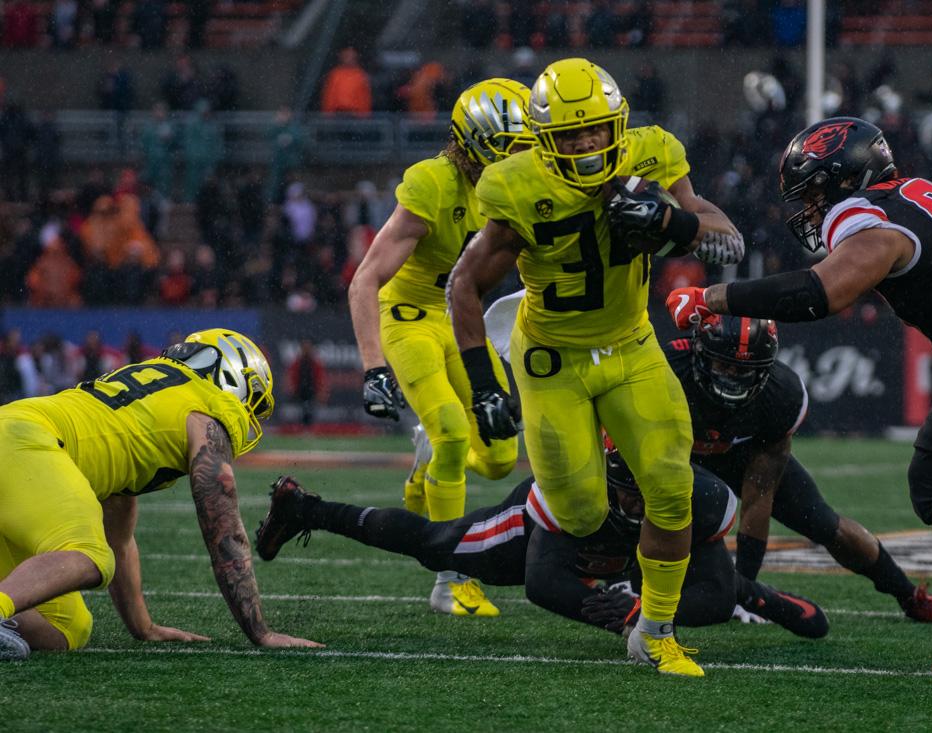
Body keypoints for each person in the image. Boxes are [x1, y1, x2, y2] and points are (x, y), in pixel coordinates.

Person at [666, 116, 932, 677]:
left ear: (847, 179)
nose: (812, 210)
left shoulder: (863, 211)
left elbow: (821, 292)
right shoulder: (912, 196)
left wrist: (714, 296)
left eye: (816, 193)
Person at [447, 57, 744, 677]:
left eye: (595, 131)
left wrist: (669, 221)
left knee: (671, 488)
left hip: (632, 345)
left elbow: (726, 238)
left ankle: (654, 631)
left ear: (618, 126)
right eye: (570, 135)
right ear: (544, 141)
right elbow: (462, 287)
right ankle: (514, 540)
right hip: (552, 359)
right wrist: (482, 385)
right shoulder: (515, 185)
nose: (586, 144)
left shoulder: (651, 155)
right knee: (581, 513)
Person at [253, 451, 828, 639]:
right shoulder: (575, 491)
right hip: (545, 538)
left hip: (626, 553)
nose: (634, 505)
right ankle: (308, 509)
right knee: (436, 545)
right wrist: (605, 610)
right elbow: (542, 583)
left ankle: (765, 599)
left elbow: (710, 590)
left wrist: (644, 611)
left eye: (646, 494)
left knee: (691, 578)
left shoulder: (694, 500)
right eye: (625, 493)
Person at [0, 329, 321, 661]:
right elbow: (223, 529)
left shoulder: (151, 397)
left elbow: (120, 538)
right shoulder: (206, 409)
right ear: (234, 378)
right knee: (90, 556)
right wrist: (261, 632)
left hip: (15, 431)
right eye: (250, 399)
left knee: (67, 629)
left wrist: (144, 627)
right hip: (29, 443)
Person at [348, 79, 533, 617]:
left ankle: (424, 464)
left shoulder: (520, 184)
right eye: (513, 144)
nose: (525, 155)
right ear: (477, 145)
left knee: (499, 458)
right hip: (411, 319)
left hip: (463, 323)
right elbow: (364, 280)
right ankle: (450, 580)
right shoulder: (433, 183)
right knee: (454, 435)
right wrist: (372, 367)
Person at [666, 315, 932, 624]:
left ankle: (909, 596)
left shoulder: (782, 395)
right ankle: (627, 586)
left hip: (742, 454)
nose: (732, 377)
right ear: (698, 353)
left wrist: (742, 589)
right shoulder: (667, 367)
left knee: (825, 524)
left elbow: (759, 498)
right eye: (724, 366)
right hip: (675, 454)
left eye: (744, 370)